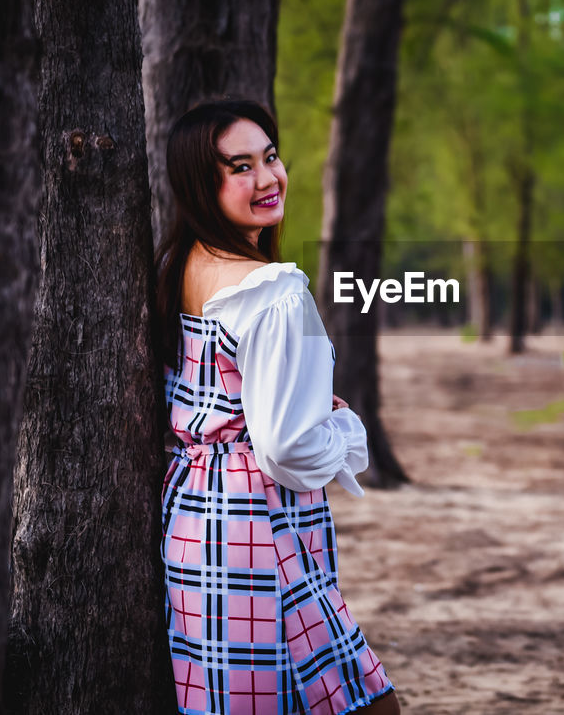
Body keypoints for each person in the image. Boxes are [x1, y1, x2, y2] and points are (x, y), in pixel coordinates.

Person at [155, 99, 398, 715]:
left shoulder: (177, 265)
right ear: (200, 184)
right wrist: (341, 430)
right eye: (240, 167)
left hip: (194, 519)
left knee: (236, 697)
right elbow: (287, 447)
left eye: (270, 156)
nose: (267, 179)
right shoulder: (276, 292)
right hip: (262, 527)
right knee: (362, 701)